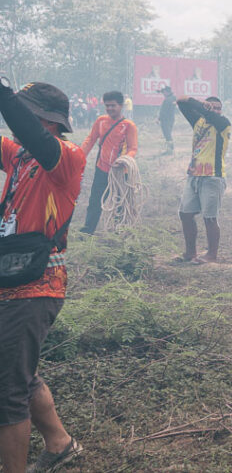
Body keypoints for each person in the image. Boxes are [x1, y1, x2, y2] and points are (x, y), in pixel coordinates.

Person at [0, 79, 86, 473]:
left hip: (36, 289)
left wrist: (4, 94)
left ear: (45, 121)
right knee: (18, 372)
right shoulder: (19, 156)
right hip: (11, 280)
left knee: (7, 391)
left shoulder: (66, 159)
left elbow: (23, 125)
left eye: (25, 113)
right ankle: (60, 443)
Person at [176, 95, 231, 264]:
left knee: (210, 217)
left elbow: (209, 115)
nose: (215, 110)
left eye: (218, 108)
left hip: (213, 176)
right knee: (185, 214)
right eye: (211, 107)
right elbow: (181, 102)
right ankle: (190, 253)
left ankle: (211, 255)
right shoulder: (198, 122)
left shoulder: (223, 123)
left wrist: (203, 107)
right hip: (194, 174)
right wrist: (200, 102)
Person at [78, 91, 138, 235]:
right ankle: (87, 231)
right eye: (107, 106)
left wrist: (124, 160)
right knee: (95, 202)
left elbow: (132, 148)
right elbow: (90, 140)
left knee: (120, 204)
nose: (110, 109)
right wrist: (78, 157)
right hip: (102, 169)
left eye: (113, 106)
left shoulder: (129, 126)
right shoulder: (101, 121)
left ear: (121, 106)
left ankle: (120, 233)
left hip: (120, 173)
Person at [158, 86, 176, 155]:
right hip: (171, 119)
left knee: (167, 135)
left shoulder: (167, 100)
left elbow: (163, 111)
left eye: (164, 92)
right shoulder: (173, 98)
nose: (163, 93)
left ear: (166, 92)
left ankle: (170, 150)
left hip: (165, 119)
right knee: (168, 134)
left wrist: (159, 118)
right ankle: (170, 149)